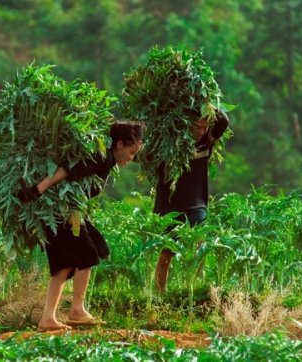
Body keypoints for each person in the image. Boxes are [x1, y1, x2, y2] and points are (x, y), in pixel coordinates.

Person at [17, 121, 145, 332]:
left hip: (61, 211)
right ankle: (77, 310)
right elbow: (69, 168)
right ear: (120, 144)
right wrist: (38, 189)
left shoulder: (108, 160)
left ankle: (47, 318)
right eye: (131, 152)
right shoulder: (103, 157)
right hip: (62, 211)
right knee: (88, 254)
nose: (132, 159)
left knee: (65, 263)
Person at [154, 109, 230, 293]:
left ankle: (194, 290)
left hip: (197, 205)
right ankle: (159, 294)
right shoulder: (169, 144)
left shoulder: (206, 142)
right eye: (197, 127)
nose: (201, 131)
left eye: (205, 127)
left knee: (200, 247)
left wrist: (200, 101)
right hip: (170, 206)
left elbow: (223, 121)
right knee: (166, 253)